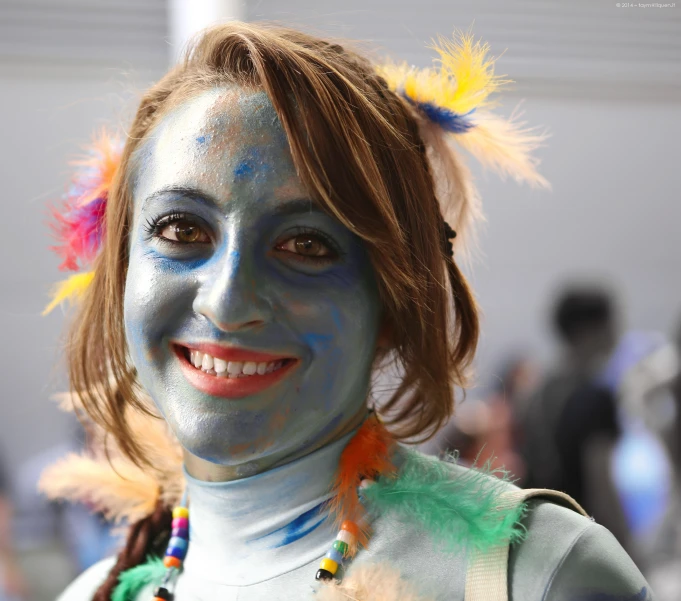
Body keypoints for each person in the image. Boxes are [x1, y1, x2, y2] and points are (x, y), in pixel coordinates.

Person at [40, 23, 653, 601]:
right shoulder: (95, 592)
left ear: (392, 298)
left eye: (306, 244)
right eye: (180, 228)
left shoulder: (541, 575)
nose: (226, 302)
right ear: (121, 270)